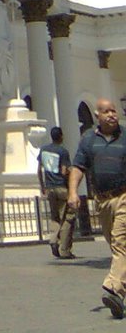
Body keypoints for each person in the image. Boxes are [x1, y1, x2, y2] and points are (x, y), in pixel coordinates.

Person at [68, 98, 126, 319]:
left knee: (122, 243)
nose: (112, 114)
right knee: (117, 247)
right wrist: (73, 192)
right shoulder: (89, 139)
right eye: (107, 111)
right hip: (102, 201)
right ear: (97, 115)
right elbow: (78, 167)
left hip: (124, 197)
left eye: (114, 110)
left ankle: (113, 289)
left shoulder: (125, 135)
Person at [38, 126, 76, 259]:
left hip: (49, 188)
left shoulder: (43, 150)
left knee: (54, 217)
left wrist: (43, 186)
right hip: (61, 187)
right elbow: (64, 171)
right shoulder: (62, 151)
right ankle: (64, 249)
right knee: (68, 218)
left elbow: (39, 170)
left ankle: (53, 239)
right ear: (61, 136)